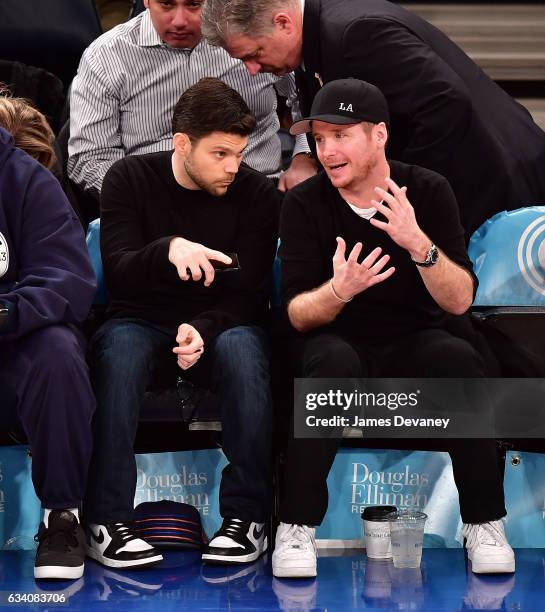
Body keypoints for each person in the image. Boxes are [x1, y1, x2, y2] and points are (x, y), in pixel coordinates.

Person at [269, 79, 515, 578]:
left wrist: (417, 243)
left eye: (341, 135)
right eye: (319, 139)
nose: (327, 150)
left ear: (379, 134)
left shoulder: (427, 189)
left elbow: (460, 300)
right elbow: (295, 313)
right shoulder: (304, 204)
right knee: (328, 362)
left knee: (460, 359)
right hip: (337, 339)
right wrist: (339, 291)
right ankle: (295, 527)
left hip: (415, 337)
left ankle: (484, 522)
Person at [85, 77, 279, 569]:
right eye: (220, 154)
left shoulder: (256, 193)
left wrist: (204, 328)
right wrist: (169, 248)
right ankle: (106, 519)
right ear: (182, 143)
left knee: (246, 348)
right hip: (141, 321)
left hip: (223, 325)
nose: (234, 167)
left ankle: (247, 518)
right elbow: (122, 276)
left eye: (239, 152)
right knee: (120, 350)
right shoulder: (129, 178)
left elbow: (251, 292)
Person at [201, 0, 545, 238]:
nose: (252, 69)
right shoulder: (318, 36)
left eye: (255, 54)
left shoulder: (355, 33)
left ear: (283, 23)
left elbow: (444, 105)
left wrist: (398, 194)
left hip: (494, 182)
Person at [68, 0, 317, 198]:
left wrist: (305, 158)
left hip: (264, 195)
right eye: (166, 4)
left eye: (194, 4)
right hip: (155, 208)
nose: (179, 21)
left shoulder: (252, 35)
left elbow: (306, 102)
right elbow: (89, 158)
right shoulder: (105, 57)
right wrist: (139, 199)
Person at [0, 125, 96, 580]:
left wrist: (6, 312)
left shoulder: (27, 181)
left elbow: (66, 279)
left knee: (58, 351)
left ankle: (62, 516)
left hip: (15, 340)